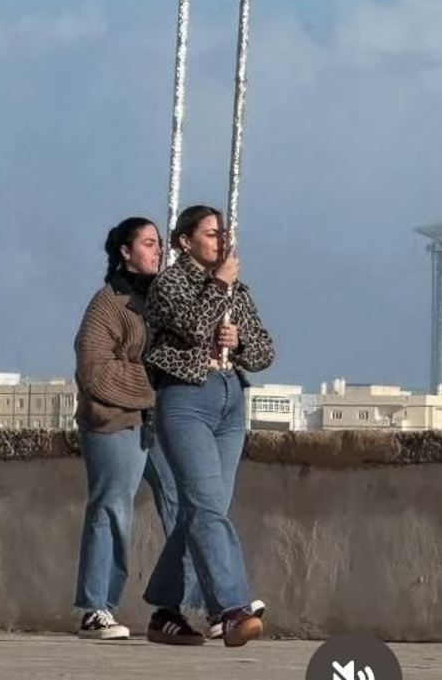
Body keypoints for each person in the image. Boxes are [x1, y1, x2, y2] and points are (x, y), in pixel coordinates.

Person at [142, 205, 276, 648]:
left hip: (228, 398)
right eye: (211, 234)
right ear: (186, 241)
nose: (221, 242)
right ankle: (232, 608)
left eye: (224, 234)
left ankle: (165, 609)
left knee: (207, 508)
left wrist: (237, 342)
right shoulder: (169, 284)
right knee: (203, 504)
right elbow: (193, 326)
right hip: (186, 399)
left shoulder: (237, 288)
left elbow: (263, 351)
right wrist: (219, 284)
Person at [70, 217, 200, 640]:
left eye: (160, 243)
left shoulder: (162, 301)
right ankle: (96, 607)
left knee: (185, 507)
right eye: (148, 243)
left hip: (159, 421)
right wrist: (153, 381)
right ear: (125, 251)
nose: (158, 250)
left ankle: (174, 607)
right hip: (114, 420)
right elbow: (94, 370)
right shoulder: (107, 303)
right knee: (111, 508)